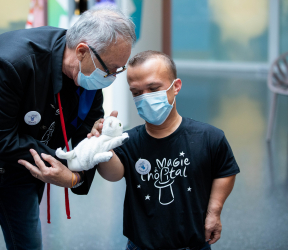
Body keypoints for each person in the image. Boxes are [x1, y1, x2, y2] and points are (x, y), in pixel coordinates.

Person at [0, 6, 135, 250]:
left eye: (119, 70)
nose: (113, 77)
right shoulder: (13, 61)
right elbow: (1, 139)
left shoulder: (87, 74)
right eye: (111, 68)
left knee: (28, 244)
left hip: (23, 163)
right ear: (82, 51)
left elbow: (87, 138)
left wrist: (90, 152)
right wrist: (65, 166)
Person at [96, 51, 240, 250]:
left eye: (153, 88)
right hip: (141, 246)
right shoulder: (128, 141)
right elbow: (112, 174)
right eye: (136, 93)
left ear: (176, 87)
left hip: (194, 245)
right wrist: (104, 144)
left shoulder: (209, 137)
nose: (145, 98)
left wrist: (214, 212)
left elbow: (225, 170)